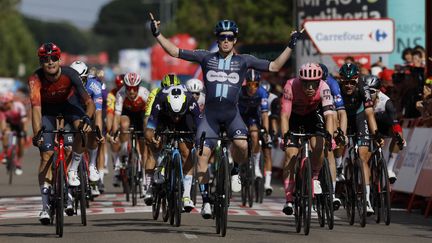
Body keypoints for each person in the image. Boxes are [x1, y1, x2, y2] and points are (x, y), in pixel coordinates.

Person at [149, 13, 300, 217]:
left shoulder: (244, 60)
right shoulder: (205, 57)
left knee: (243, 144)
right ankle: (206, 200)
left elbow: (274, 66)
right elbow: (175, 52)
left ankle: (236, 169)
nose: (226, 41)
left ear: (235, 39)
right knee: (201, 156)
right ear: (217, 39)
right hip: (209, 117)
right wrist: (157, 34)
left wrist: (290, 45)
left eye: (229, 37)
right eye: (222, 37)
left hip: (231, 116)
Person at [29, 42, 95, 224]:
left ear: (59, 59)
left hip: (69, 106)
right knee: (46, 156)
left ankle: (73, 169)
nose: (50, 62)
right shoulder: (35, 79)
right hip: (47, 112)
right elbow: (35, 109)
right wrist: (38, 134)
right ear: (41, 61)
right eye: (45, 59)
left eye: (54, 58)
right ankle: (45, 207)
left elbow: (89, 103)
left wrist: (87, 119)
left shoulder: (70, 74)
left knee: (82, 128)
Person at [280, 63, 335, 215]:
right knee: (290, 154)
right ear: (300, 81)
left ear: (319, 82)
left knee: (319, 145)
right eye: (306, 84)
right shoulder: (290, 85)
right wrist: (285, 135)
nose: (310, 88)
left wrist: (329, 135)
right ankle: (289, 199)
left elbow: (329, 115)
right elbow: (285, 115)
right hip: (294, 118)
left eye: (313, 84)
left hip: (313, 116)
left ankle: (315, 176)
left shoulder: (324, 87)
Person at [145, 84, 202, 210]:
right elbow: (151, 123)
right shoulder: (161, 99)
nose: (176, 119)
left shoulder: (190, 101)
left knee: (186, 152)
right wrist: (151, 135)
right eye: (174, 115)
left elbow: (199, 125)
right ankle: (160, 166)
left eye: (178, 115)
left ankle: (186, 195)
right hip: (165, 116)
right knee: (154, 140)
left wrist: (198, 140)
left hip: (185, 117)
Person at [338, 63, 381, 214]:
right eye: (345, 82)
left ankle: (367, 200)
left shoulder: (364, 88)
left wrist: (375, 132)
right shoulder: (336, 89)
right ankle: (339, 168)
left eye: (352, 82)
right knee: (340, 141)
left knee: (362, 157)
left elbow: (369, 113)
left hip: (359, 116)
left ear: (357, 80)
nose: (348, 85)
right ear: (340, 80)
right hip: (341, 116)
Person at [69, 61, 104, 197]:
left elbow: (99, 113)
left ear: (86, 77)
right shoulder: (68, 87)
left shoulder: (94, 86)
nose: (79, 83)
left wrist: (99, 132)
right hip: (74, 112)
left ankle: (92, 165)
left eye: (82, 79)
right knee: (80, 130)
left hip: (90, 111)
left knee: (94, 129)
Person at [112, 72, 150, 197]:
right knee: (123, 125)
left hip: (141, 115)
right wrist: (114, 131)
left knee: (144, 146)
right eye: (129, 88)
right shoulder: (121, 93)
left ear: (138, 87)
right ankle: (123, 150)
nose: (132, 92)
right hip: (127, 113)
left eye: (134, 88)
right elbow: (116, 116)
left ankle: (145, 181)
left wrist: (148, 132)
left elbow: (149, 116)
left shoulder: (144, 93)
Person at [364, 75, 405, 183]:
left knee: (399, 134)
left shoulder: (386, 101)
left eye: (371, 92)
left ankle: (390, 168)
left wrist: (399, 137)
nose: (368, 95)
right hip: (366, 125)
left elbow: (395, 122)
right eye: (366, 91)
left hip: (382, 124)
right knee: (365, 157)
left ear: (378, 91)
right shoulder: (361, 99)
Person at [238, 70, 272, 193]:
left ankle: (256, 165)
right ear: (246, 84)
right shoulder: (239, 92)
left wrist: (266, 130)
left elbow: (264, 114)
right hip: (240, 115)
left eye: (255, 85)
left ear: (259, 84)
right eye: (250, 85)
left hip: (253, 116)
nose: (252, 88)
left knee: (254, 134)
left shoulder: (262, 93)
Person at [319, 63, 347, 209]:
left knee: (334, 116)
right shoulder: (307, 84)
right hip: (312, 110)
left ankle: (338, 163)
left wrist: (340, 132)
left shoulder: (332, 84)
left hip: (329, 110)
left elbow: (341, 111)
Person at [0, 91, 27, 175]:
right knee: (4, 134)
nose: (4, 105)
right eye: (3, 103)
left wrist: (24, 131)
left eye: (5, 103)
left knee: (21, 142)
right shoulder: (2, 109)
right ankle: (5, 153)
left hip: (19, 124)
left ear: (11, 101)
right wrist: (4, 131)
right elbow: (3, 122)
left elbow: (24, 121)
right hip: (9, 124)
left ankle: (18, 163)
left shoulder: (19, 106)